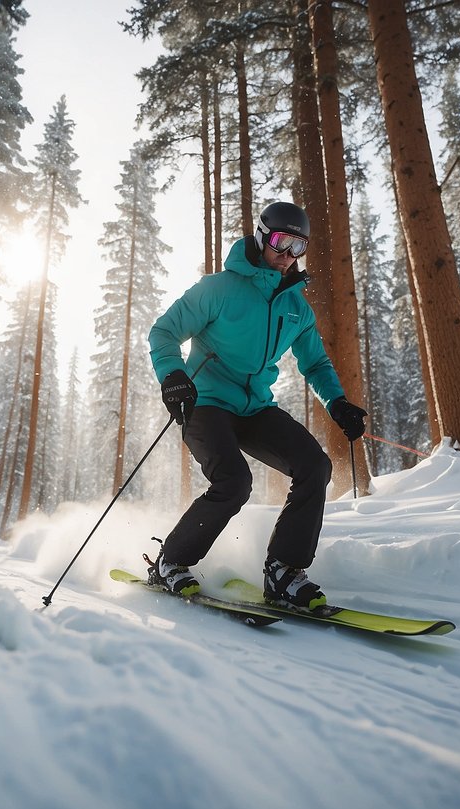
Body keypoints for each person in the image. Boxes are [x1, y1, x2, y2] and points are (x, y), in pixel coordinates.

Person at [146, 201, 367, 611]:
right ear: (263, 236)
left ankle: (283, 569)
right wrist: (173, 377)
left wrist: (337, 403)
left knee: (314, 466)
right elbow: (163, 332)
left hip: (254, 408)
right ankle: (170, 562)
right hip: (206, 402)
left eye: (298, 247)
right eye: (282, 242)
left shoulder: (296, 307)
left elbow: (315, 362)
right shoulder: (218, 289)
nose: (287, 256)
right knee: (234, 482)